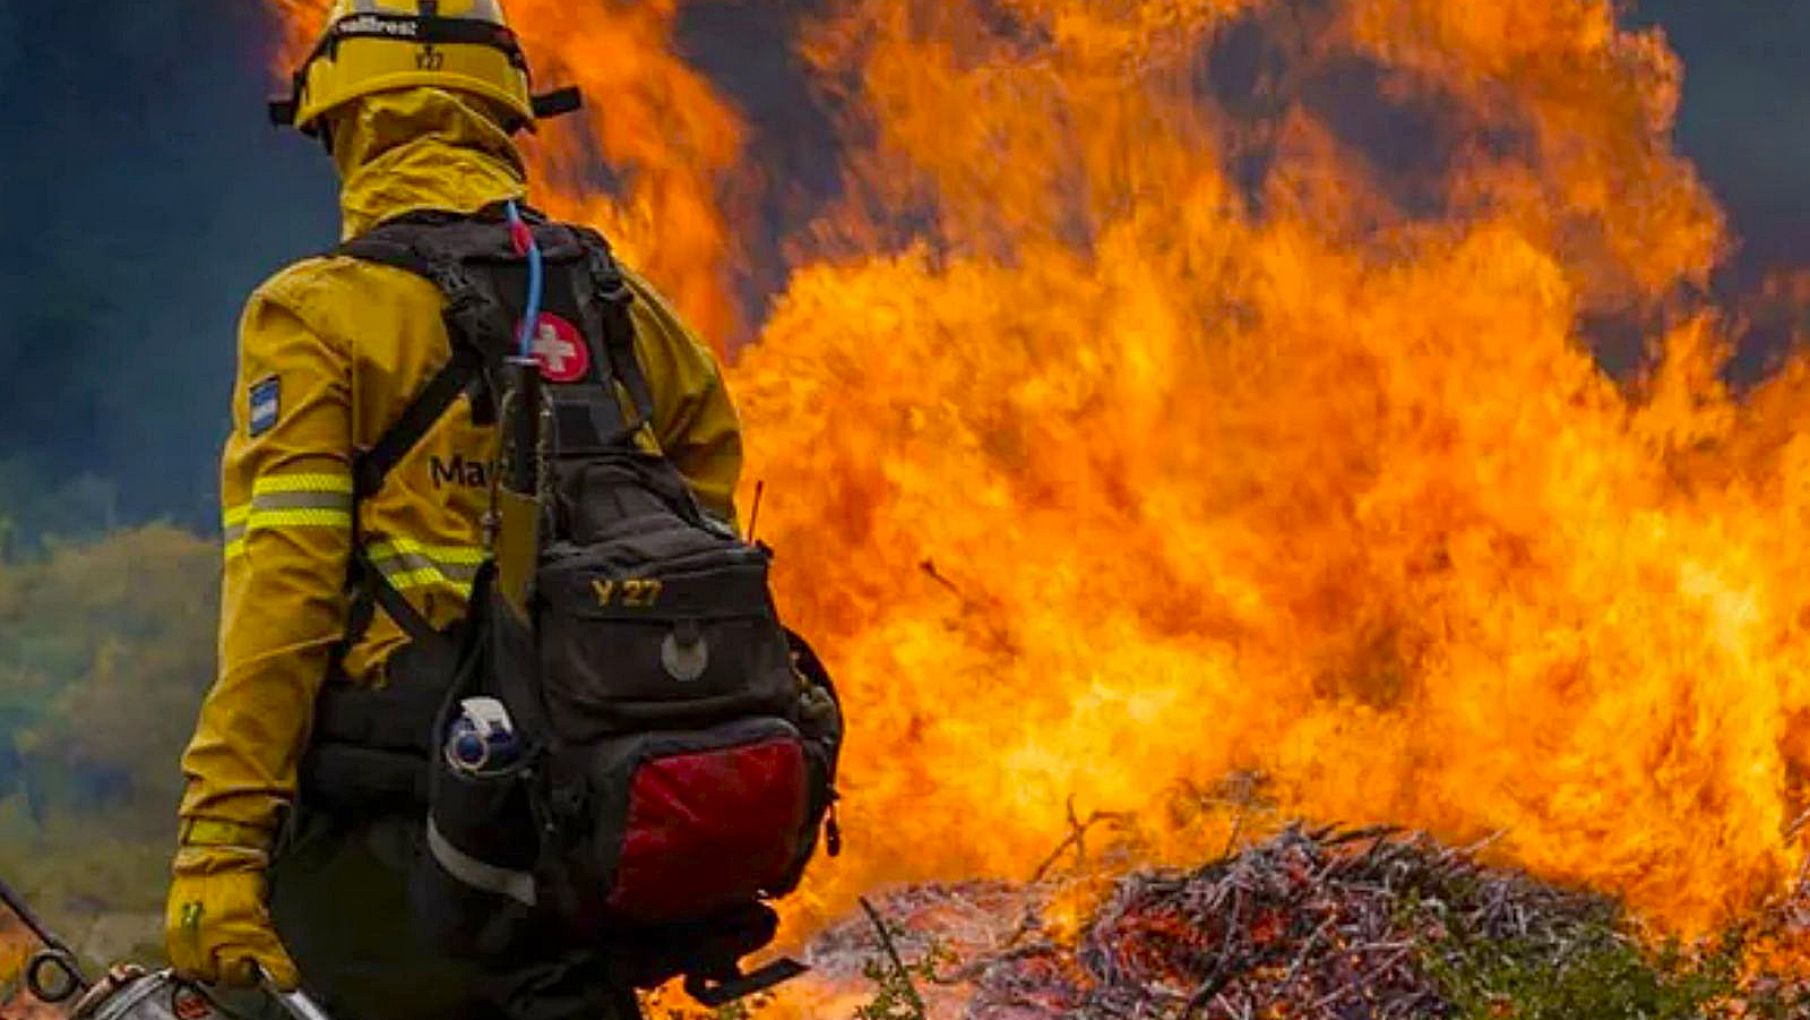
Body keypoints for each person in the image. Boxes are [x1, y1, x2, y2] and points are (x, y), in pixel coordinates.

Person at [164, 2, 743, 1017]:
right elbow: (703, 511)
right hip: (594, 817)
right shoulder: (623, 306)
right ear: (506, 116)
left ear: (339, 121)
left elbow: (283, 601)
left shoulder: (313, 314)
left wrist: (220, 840)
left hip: (397, 839)